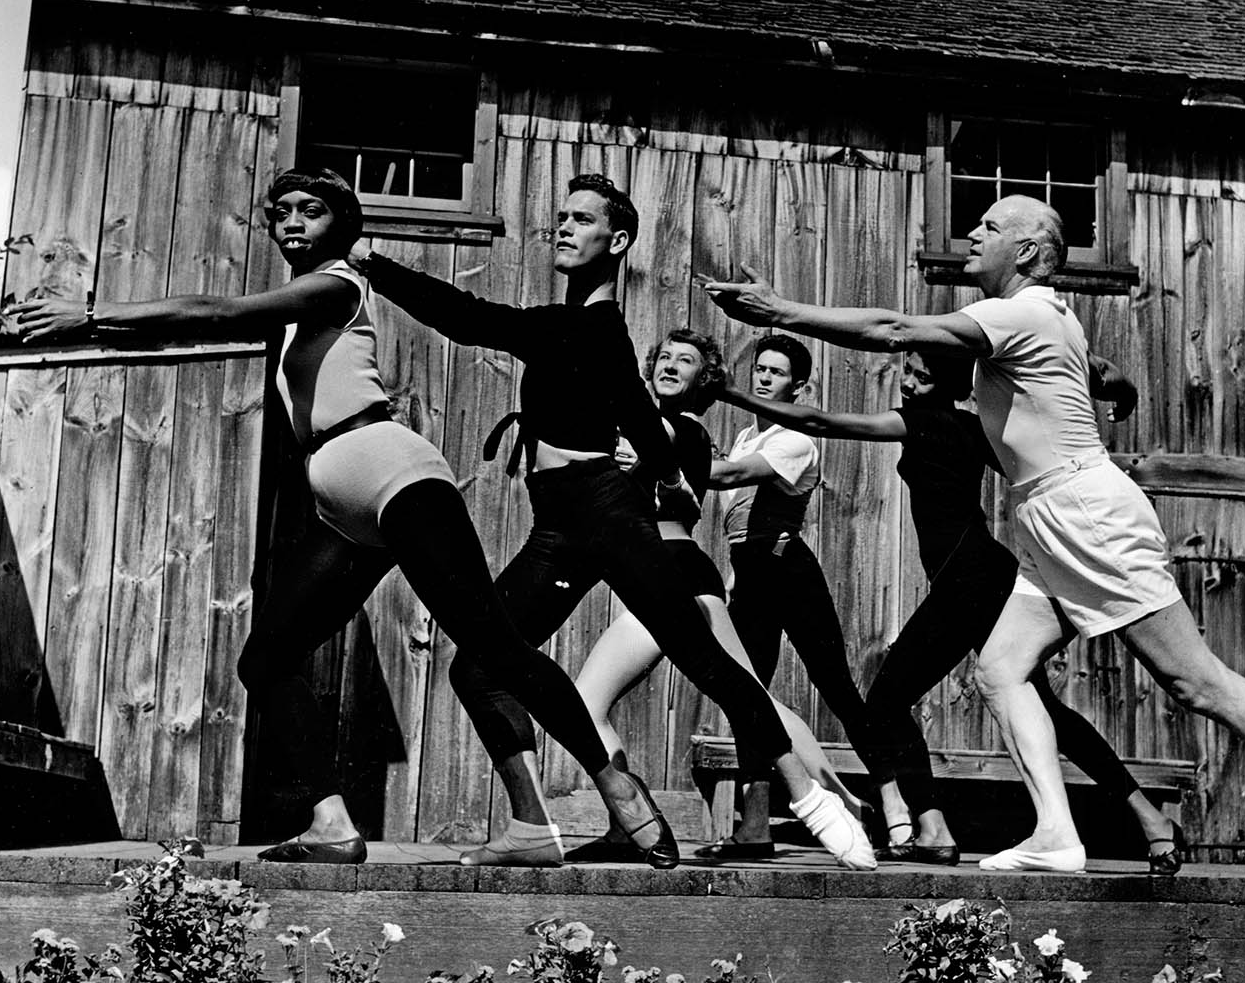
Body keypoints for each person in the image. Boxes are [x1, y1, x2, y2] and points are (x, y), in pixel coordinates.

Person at [10, 168, 681, 867]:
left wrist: (92, 315)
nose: (293, 222)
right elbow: (195, 329)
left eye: (312, 210)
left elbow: (216, 310)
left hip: (393, 474)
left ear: (342, 226)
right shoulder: (298, 308)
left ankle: (620, 793)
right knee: (266, 659)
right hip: (341, 502)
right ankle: (330, 822)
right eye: (281, 212)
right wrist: (99, 335)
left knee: (496, 649)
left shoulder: (336, 285)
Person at [703, 194, 1245, 880]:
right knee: (1001, 671)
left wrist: (780, 311)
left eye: (990, 227)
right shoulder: (1045, 319)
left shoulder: (1021, 311)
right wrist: (1120, 386)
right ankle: (1056, 833)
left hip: (1085, 512)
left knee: (1192, 682)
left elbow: (892, 326)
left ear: (1026, 252)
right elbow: (1095, 372)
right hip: (1044, 520)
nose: (972, 231)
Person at [352, 174, 875, 870]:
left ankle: (811, 799)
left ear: (617, 240)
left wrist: (371, 262)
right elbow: (644, 424)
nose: (562, 228)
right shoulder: (602, 334)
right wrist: (656, 463)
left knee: (701, 654)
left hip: (601, 513)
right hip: (558, 527)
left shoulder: (587, 325)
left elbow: (468, 318)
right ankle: (537, 825)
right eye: (559, 217)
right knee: (478, 669)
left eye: (581, 219)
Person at [722, 349, 1187, 874]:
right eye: (909, 372)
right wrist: (1110, 386)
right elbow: (1034, 446)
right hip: (981, 574)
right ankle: (1150, 821)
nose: (909, 383)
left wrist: (727, 390)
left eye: (923, 377)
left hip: (969, 579)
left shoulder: (921, 420)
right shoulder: (974, 427)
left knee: (886, 701)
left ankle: (932, 825)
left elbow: (819, 420)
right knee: (1041, 708)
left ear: (945, 386)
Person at [566, 328, 870, 863]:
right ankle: (831, 801)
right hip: (671, 572)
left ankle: (636, 825)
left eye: (685, 361)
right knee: (748, 693)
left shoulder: (680, 431)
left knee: (600, 702)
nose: (670, 364)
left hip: (672, 571)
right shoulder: (650, 426)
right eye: (664, 356)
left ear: (702, 379)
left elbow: (678, 456)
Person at [696, 335, 891, 861]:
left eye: (776, 373)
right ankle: (754, 828)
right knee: (747, 696)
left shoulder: (795, 436)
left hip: (789, 572)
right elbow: (736, 518)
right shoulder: (742, 435)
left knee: (837, 688)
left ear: (797, 386)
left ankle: (897, 810)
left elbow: (734, 478)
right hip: (753, 576)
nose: (763, 379)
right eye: (759, 369)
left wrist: (665, 455)